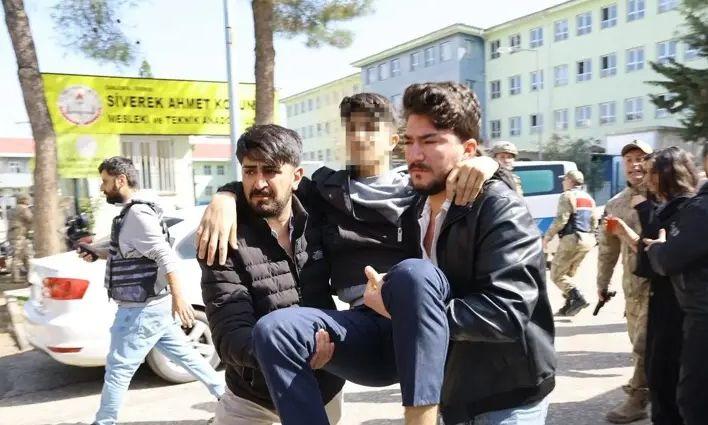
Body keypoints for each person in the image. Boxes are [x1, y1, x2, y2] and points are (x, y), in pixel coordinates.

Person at [196, 92, 501, 425]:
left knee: (413, 274)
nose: (359, 136)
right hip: (354, 329)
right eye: (351, 128)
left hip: (417, 313)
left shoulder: (419, 188)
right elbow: (273, 183)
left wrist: (488, 164)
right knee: (275, 329)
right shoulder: (327, 192)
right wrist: (225, 195)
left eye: (370, 128)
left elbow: (465, 179)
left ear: (394, 140)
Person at [198, 125, 345, 425]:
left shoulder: (319, 215)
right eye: (249, 171)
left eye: (270, 170)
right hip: (253, 400)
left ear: (296, 177)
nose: (259, 182)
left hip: (324, 388)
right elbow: (229, 335)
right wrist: (296, 349)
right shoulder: (224, 237)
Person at [80, 157, 224, 425]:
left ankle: (104, 422)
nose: (102, 187)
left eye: (105, 181)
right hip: (153, 307)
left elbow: (164, 254)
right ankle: (227, 398)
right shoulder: (134, 212)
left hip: (140, 309)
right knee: (188, 357)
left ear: (120, 180)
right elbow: (129, 253)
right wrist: (96, 252)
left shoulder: (137, 214)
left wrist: (179, 298)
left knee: (118, 370)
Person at [643, 146, 706, 425]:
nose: (646, 179)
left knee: (688, 396)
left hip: (687, 311)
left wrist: (656, 249)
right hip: (677, 306)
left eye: (652, 173)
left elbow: (666, 260)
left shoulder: (693, 209)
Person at [597, 140, 653, 423]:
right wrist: (602, 283)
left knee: (644, 345)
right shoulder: (615, 204)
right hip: (633, 289)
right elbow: (607, 250)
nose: (635, 165)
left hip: (660, 287)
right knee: (638, 344)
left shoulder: (664, 196)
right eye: (629, 160)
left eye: (641, 158)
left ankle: (638, 398)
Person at [543, 170, 597, 316]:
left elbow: (561, 220)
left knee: (556, 275)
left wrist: (547, 237)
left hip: (572, 238)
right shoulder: (588, 198)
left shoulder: (567, 195)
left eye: (564, 179)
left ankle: (578, 298)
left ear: (570, 181)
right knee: (567, 274)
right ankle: (568, 307)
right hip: (587, 239)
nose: (562, 182)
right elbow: (594, 222)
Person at [8, 193, 32, 283]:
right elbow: (31, 219)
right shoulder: (23, 209)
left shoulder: (12, 209)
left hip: (14, 235)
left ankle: (25, 276)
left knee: (24, 256)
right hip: (19, 235)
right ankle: (16, 278)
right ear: (24, 200)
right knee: (20, 256)